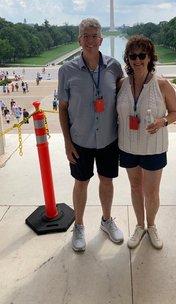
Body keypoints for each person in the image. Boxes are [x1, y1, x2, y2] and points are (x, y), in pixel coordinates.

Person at [58, 18, 124, 252]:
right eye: (86, 36)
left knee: (107, 181)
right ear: (79, 40)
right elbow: (63, 108)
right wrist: (67, 142)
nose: (90, 40)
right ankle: (79, 225)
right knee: (81, 182)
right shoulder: (66, 70)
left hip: (108, 138)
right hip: (80, 139)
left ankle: (106, 220)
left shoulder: (115, 67)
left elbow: (125, 98)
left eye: (94, 35)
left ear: (101, 39)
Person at [117, 35, 176, 250]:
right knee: (135, 188)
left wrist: (162, 121)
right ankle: (139, 225)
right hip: (128, 146)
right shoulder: (121, 85)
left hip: (153, 147)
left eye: (142, 55)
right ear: (128, 58)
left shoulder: (162, 85)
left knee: (151, 192)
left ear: (150, 57)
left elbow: (175, 113)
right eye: (132, 55)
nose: (137, 59)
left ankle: (151, 226)